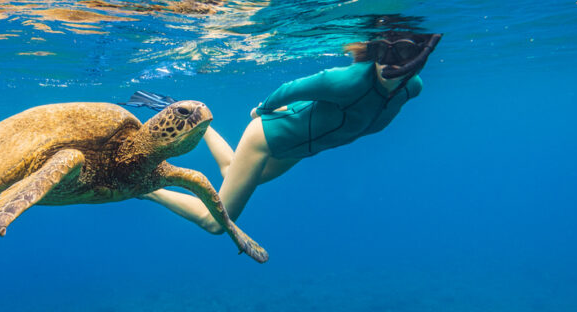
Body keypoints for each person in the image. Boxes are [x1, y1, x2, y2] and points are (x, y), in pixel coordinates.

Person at [126, 33, 442, 235]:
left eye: (402, 69)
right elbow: (290, 89)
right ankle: (144, 188)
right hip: (268, 138)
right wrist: (262, 111)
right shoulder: (347, 81)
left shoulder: (412, 88)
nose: (390, 76)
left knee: (230, 169)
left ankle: (190, 114)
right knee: (217, 222)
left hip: (297, 149)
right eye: (386, 67)